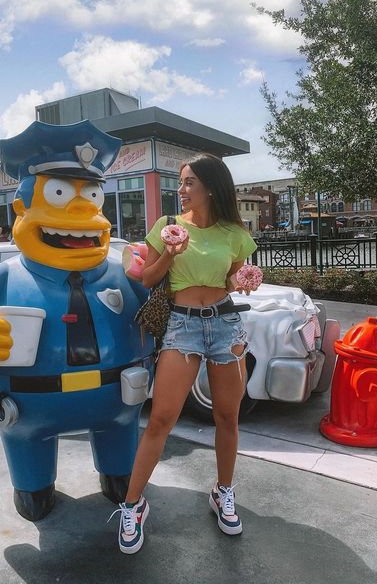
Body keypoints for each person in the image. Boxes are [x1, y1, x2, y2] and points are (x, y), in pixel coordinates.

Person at [111, 153, 257, 554]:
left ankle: (223, 492)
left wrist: (243, 282)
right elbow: (147, 278)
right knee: (160, 417)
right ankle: (132, 504)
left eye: (190, 181)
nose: (183, 188)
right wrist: (171, 255)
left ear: (211, 187)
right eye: (181, 181)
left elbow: (231, 279)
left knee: (227, 415)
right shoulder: (168, 227)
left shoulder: (234, 234)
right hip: (183, 325)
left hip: (226, 325)